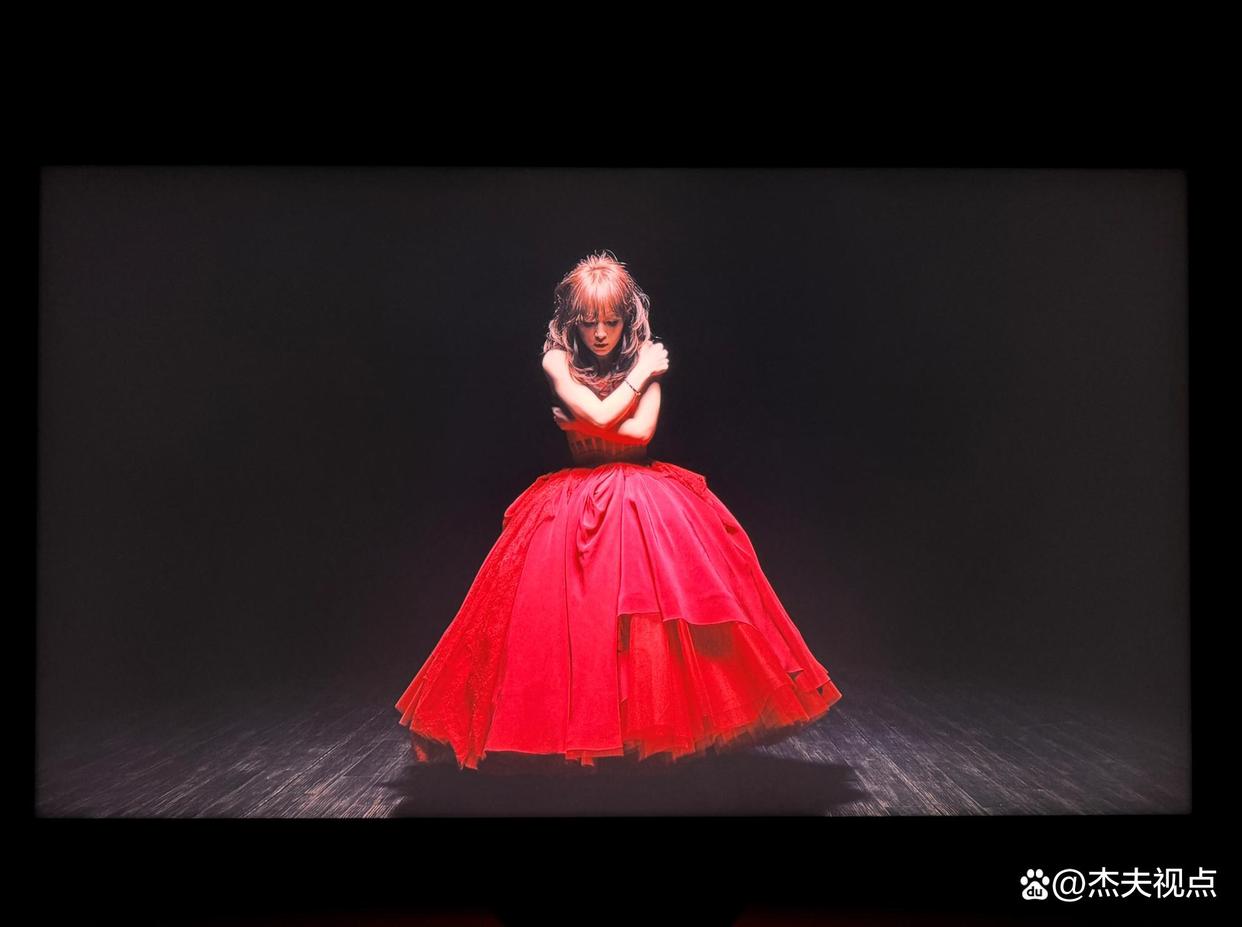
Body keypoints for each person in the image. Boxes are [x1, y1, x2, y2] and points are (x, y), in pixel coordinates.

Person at [394, 250, 842, 772]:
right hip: (572, 499)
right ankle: (579, 733)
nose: (601, 333)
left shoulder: (647, 357)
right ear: (572, 321)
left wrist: (582, 422)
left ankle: (636, 739)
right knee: (567, 619)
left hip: (641, 495)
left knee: (648, 615)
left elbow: (640, 432)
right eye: (589, 322)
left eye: (611, 321)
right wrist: (621, 396)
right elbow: (605, 413)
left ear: (627, 319)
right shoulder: (557, 359)